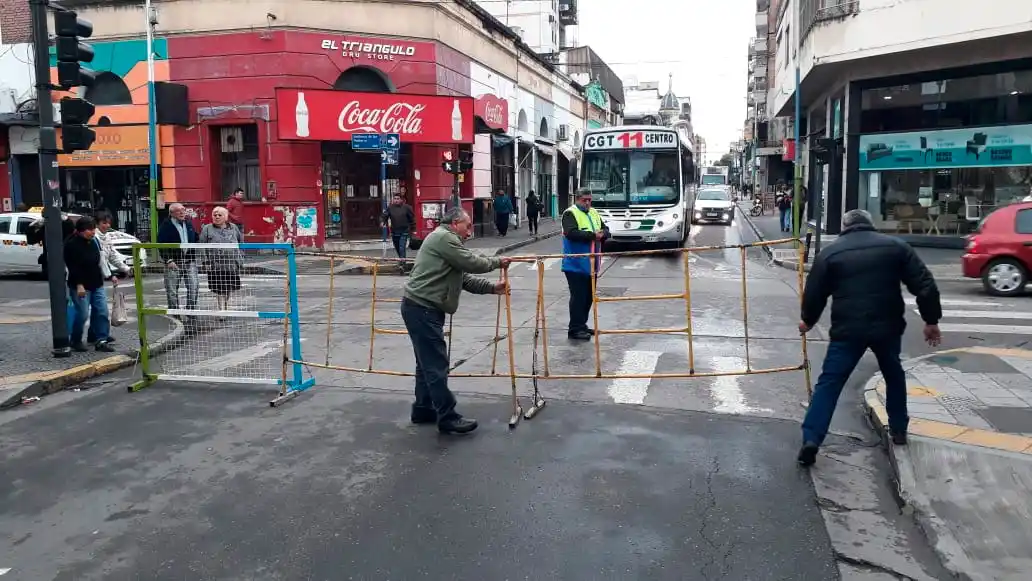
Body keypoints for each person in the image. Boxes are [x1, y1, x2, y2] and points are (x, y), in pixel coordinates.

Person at [797, 209, 942, 467]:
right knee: (893, 374)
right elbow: (925, 284)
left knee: (829, 383)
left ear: (844, 226)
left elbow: (815, 292)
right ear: (870, 224)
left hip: (847, 330)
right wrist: (931, 321)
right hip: (887, 327)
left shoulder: (831, 253)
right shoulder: (896, 247)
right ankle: (898, 429)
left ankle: (812, 439)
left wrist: (808, 320)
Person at [401, 207, 511, 434]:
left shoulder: (446, 241)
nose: (469, 232)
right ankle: (447, 416)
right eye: (467, 226)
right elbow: (472, 263)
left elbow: (464, 278)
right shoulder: (444, 238)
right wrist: (498, 262)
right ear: (454, 223)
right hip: (422, 309)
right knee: (436, 365)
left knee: (426, 365)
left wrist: (492, 288)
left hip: (421, 308)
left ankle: (423, 409)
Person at [561, 189, 610, 341]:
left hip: (592, 264)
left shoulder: (594, 213)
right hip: (575, 264)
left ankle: (582, 325)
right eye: (584, 200)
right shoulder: (570, 213)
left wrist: (604, 234)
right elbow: (571, 233)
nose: (588, 202)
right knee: (579, 297)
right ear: (577, 199)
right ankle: (574, 329)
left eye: (590, 200)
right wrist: (593, 235)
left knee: (589, 297)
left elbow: (606, 229)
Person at [64, 217, 117, 352]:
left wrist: (110, 274)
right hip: (80, 285)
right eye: (89, 229)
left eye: (93, 229)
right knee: (82, 314)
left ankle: (101, 339)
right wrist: (79, 284)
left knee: (102, 311)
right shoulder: (71, 244)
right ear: (81, 230)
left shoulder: (94, 241)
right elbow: (72, 266)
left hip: (96, 282)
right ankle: (75, 339)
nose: (92, 232)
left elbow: (101, 259)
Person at [91, 210, 131, 345]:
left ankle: (98, 335)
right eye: (104, 223)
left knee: (98, 309)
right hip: (89, 277)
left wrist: (125, 268)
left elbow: (112, 255)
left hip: (98, 278)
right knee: (96, 310)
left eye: (108, 223)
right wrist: (110, 275)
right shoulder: (93, 237)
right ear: (97, 223)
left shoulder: (106, 237)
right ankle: (98, 335)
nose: (107, 225)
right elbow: (101, 260)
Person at [199, 206, 244, 311]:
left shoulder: (233, 227)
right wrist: (205, 262)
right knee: (219, 289)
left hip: (231, 264)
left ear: (226, 217)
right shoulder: (207, 228)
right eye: (215, 215)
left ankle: (226, 306)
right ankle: (221, 310)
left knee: (228, 288)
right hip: (215, 265)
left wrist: (240, 258)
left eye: (220, 215)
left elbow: (241, 242)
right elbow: (201, 246)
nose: (217, 217)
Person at [157, 203, 200, 311]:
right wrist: (168, 260)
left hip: (189, 261)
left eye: (183, 210)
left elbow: (195, 238)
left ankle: (190, 311)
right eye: (178, 211)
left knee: (194, 287)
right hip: (174, 262)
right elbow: (161, 244)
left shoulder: (188, 223)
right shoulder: (166, 225)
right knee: (172, 290)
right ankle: (174, 311)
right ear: (171, 213)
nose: (182, 212)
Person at [382, 194, 415, 260]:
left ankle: (402, 263)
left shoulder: (407, 207)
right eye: (395, 199)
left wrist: (413, 228)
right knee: (397, 247)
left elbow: (412, 218)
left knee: (401, 247)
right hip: (395, 231)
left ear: (401, 200)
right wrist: (383, 221)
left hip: (404, 231)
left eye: (398, 199)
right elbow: (385, 216)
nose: (396, 200)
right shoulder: (390, 208)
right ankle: (401, 259)